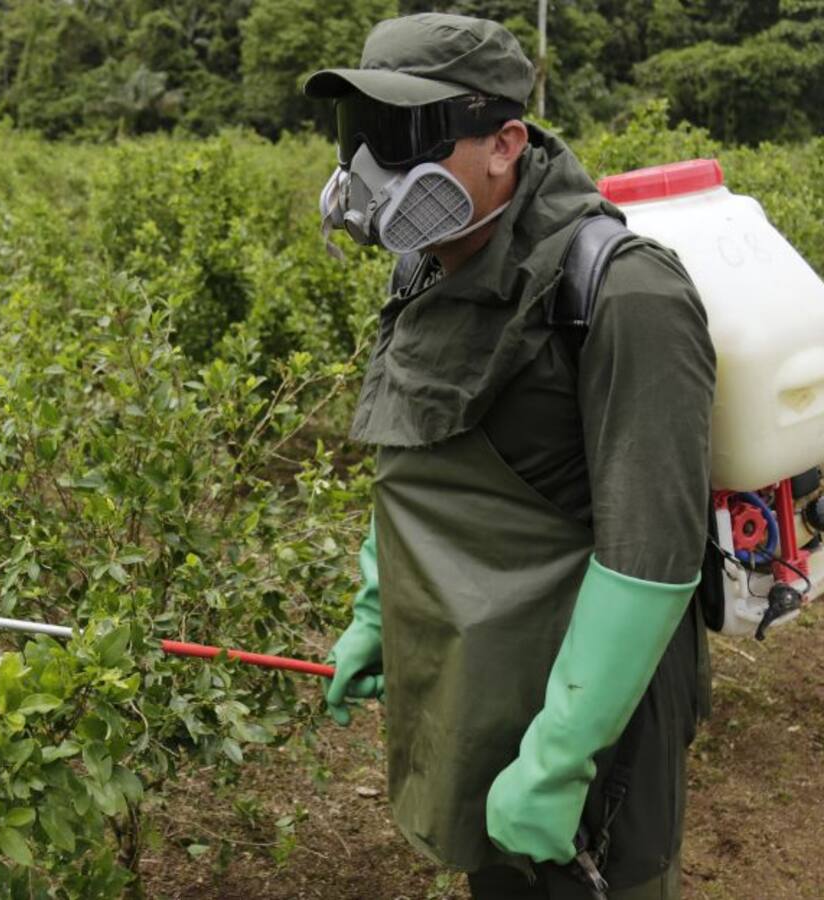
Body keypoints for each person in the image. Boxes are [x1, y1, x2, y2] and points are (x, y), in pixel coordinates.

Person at [306, 14, 715, 900]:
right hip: (481, 662)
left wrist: (563, 754)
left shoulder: (626, 292)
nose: (371, 172)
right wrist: (382, 611)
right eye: (360, 136)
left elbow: (652, 556)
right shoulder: (427, 268)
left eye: (408, 136)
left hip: (601, 703)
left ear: (506, 142)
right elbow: (421, 450)